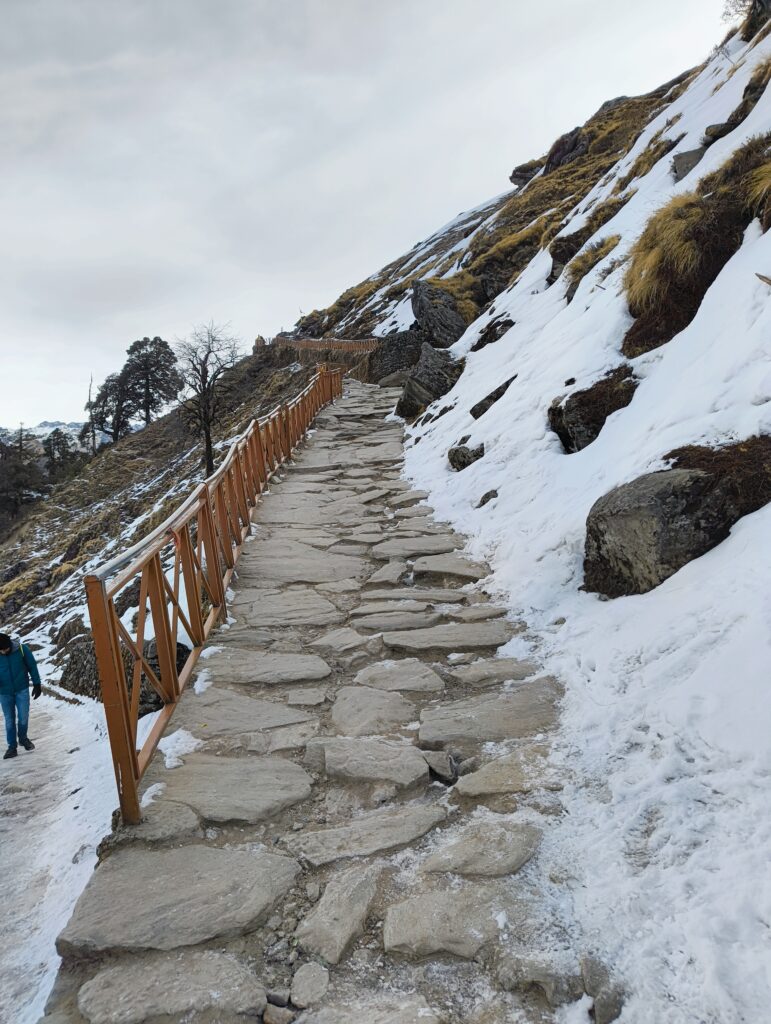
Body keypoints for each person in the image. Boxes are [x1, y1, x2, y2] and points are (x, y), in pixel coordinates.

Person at [0, 632, 42, 759]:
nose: (3, 652)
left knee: (23, 717)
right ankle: (12, 747)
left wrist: (37, 684)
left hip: (21, 689)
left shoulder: (22, 649)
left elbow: (32, 666)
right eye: (0, 650)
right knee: (9, 721)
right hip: (4, 693)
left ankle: (23, 738)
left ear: (9, 645)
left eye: (5, 649)